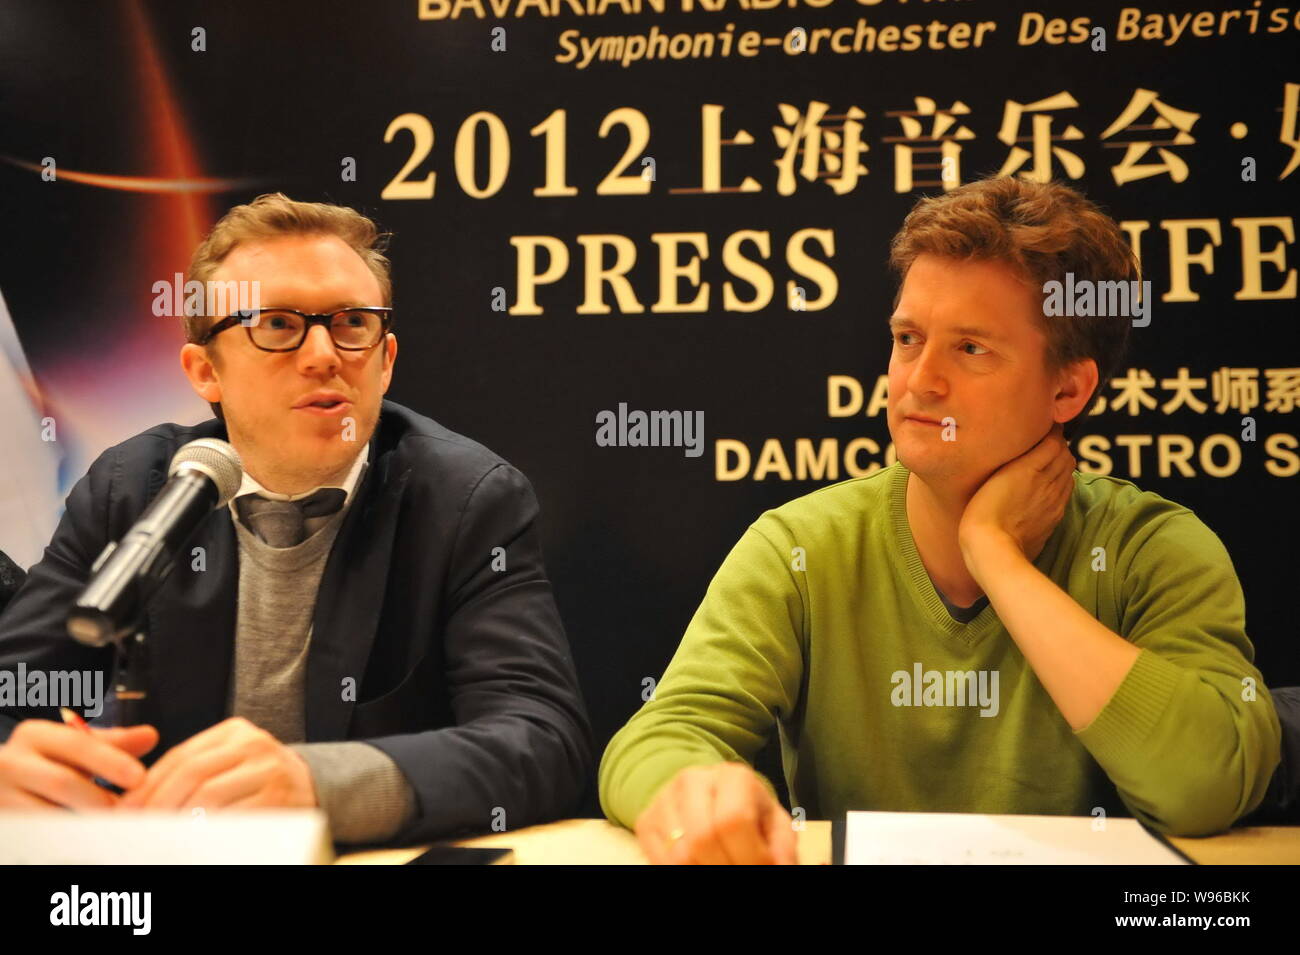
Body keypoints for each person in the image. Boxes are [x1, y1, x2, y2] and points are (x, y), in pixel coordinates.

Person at [598, 176, 1282, 864]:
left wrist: (997, 557)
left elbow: (1207, 782)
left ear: (1068, 387)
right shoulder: (801, 547)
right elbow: (656, 738)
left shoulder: (1152, 548)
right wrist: (690, 792)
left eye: (971, 349)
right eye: (907, 337)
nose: (919, 379)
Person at [0, 193, 593, 845]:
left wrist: (315, 784)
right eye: (277, 325)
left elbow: (543, 740)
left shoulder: (467, 499)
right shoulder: (131, 487)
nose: (322, 354)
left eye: (352, 323)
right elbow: (14, 686)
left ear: (386, 359)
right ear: (204, 371)